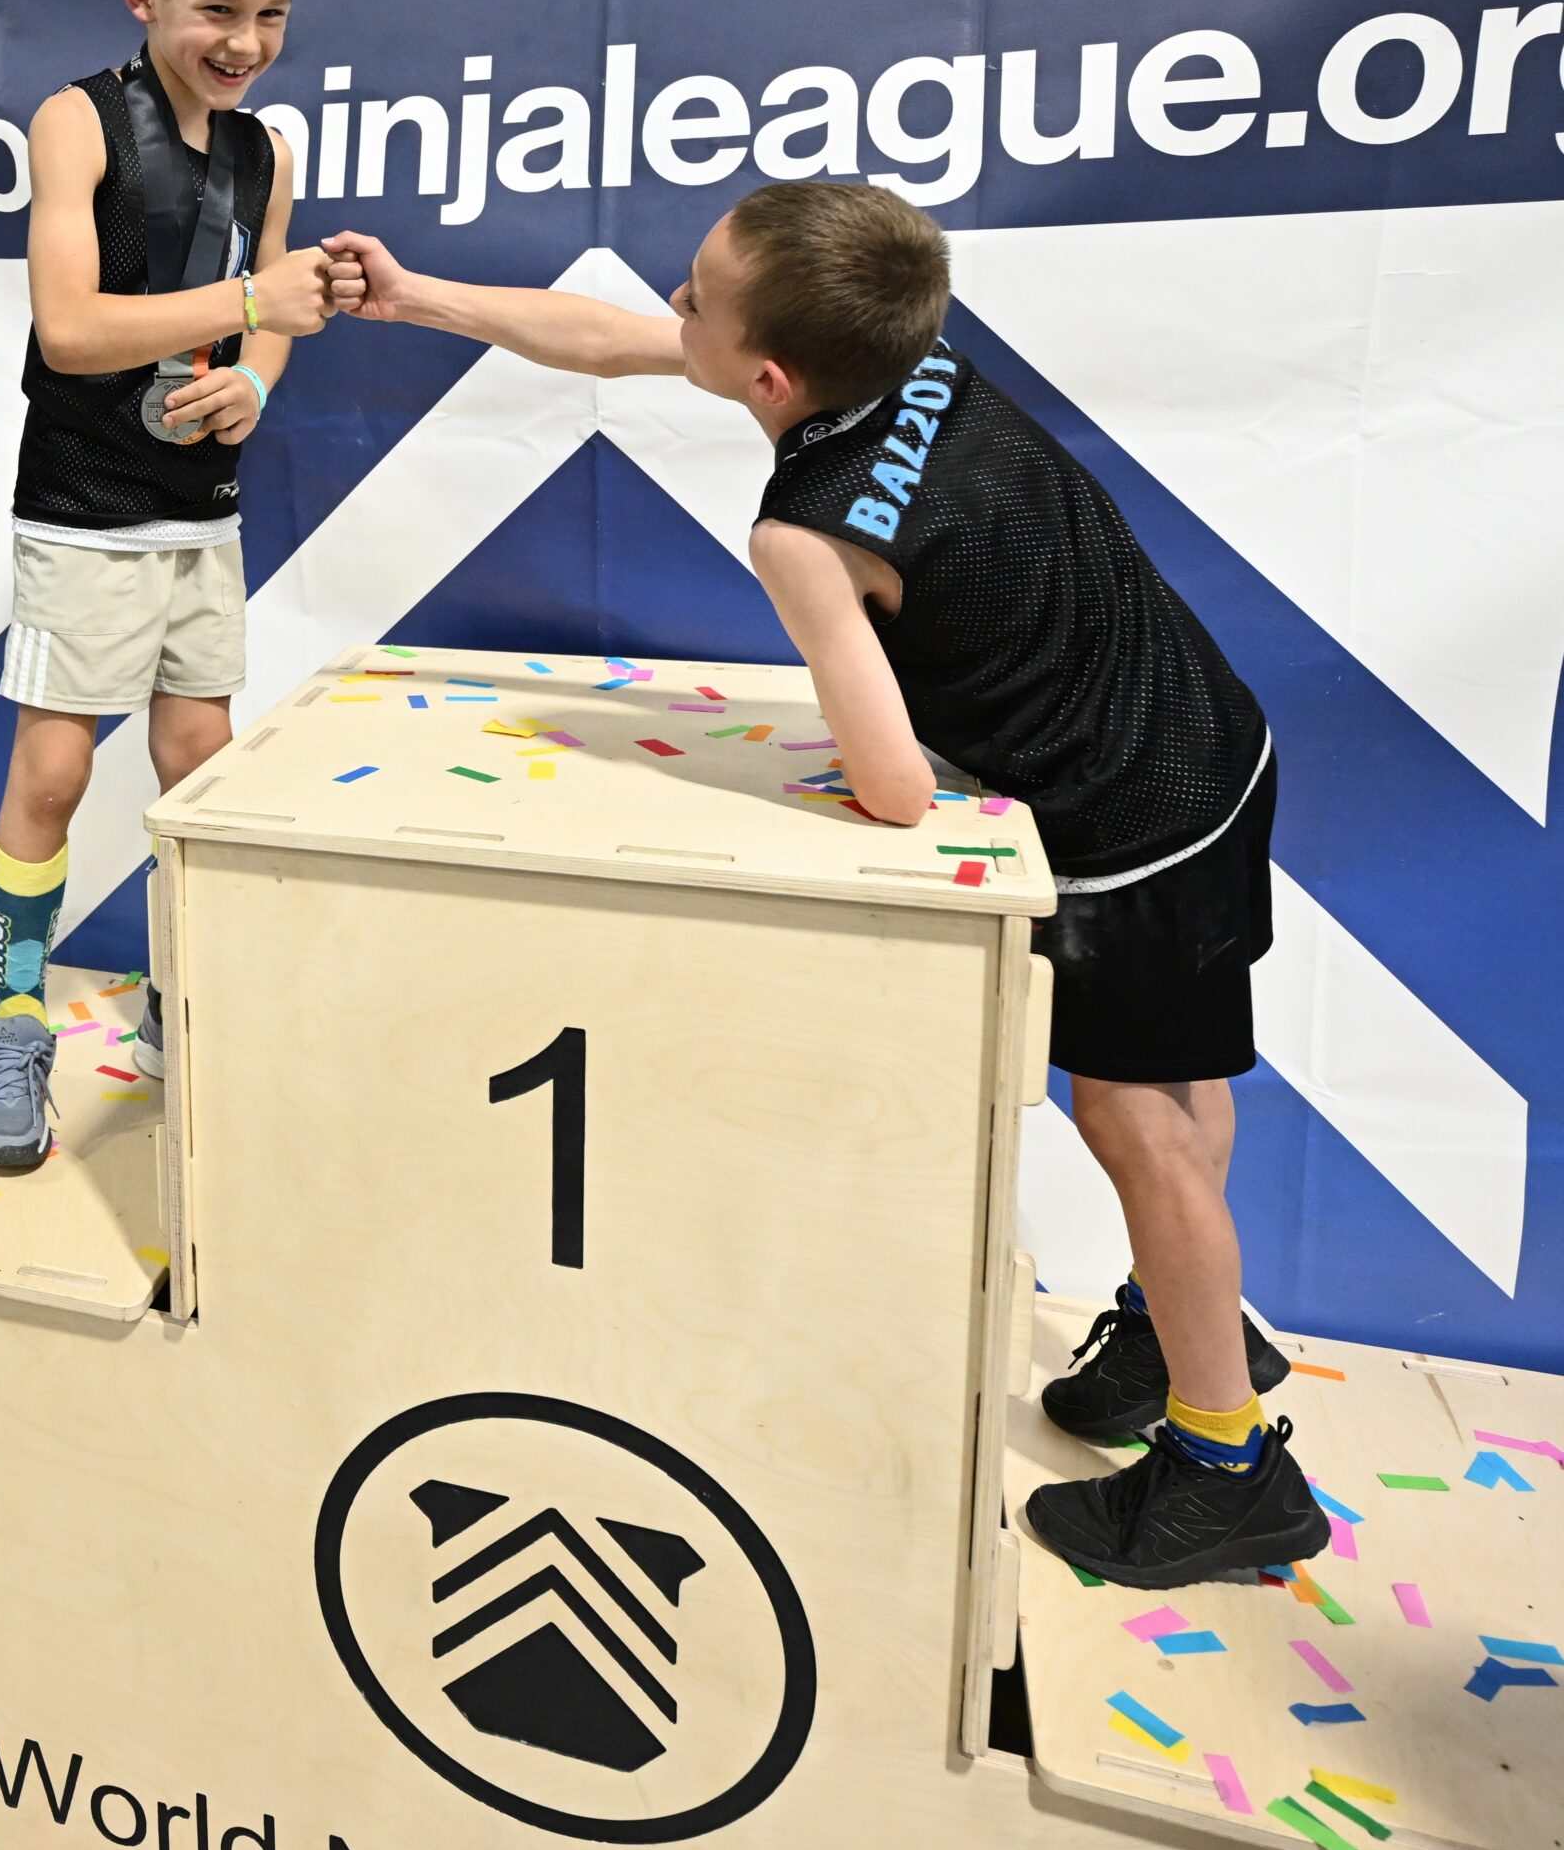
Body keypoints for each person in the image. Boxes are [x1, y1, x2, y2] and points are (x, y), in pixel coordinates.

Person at [321, 186, 1329, 1588]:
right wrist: (418, 296)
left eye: (695, 300)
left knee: (1134, 1116)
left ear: (770, 377)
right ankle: (1181, 1329)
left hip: (1123, 830)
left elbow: (897, 786)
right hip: (1213, 743)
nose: (673, 314)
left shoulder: (806, 528)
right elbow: (617, 344)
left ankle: (1231, 1467)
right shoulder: (916, 361)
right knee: (1186, 1076)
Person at [0, 0, 335, 1173]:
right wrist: (249, 310)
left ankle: (189, 999)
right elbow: (70, 329)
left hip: (204, 512)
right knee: (56, 771)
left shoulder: (263, 152)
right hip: (80, 510)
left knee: (198, 767)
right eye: (218, 11)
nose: (245, 41)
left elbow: (275, 314)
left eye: (271, 15)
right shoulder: (75, 120)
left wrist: (256, 384)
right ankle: (13, 1026)